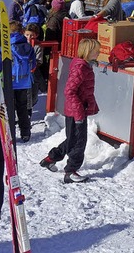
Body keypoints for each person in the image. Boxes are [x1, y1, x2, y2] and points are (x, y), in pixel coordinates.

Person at [39, 38, 100, 183]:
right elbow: (70, 91)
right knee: (79, 142)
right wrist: (79, 113)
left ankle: (51, 158)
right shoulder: (80, 68)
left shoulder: (85, 66)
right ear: (88, 51)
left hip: (78, 110)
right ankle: (70, 171)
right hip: (76, 112)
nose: (98, 53)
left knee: (73, 139)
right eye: (96, 50)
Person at [0, 21, 36, 142]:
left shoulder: (5, 46)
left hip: (9, 81)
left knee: (8, 108)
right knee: (22, 107)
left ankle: (9, 134)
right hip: (24, 81)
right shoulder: (28, 46)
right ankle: (25, 132)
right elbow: (33, 64)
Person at [24, 22, 44, 106]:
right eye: (27, 35)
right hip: (23, 71)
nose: (29, 37)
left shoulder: (38, 46)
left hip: (33, 72)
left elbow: (39, 60)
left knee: (33, 92)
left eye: (31, 35)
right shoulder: (22, 44)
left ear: (36, 35)